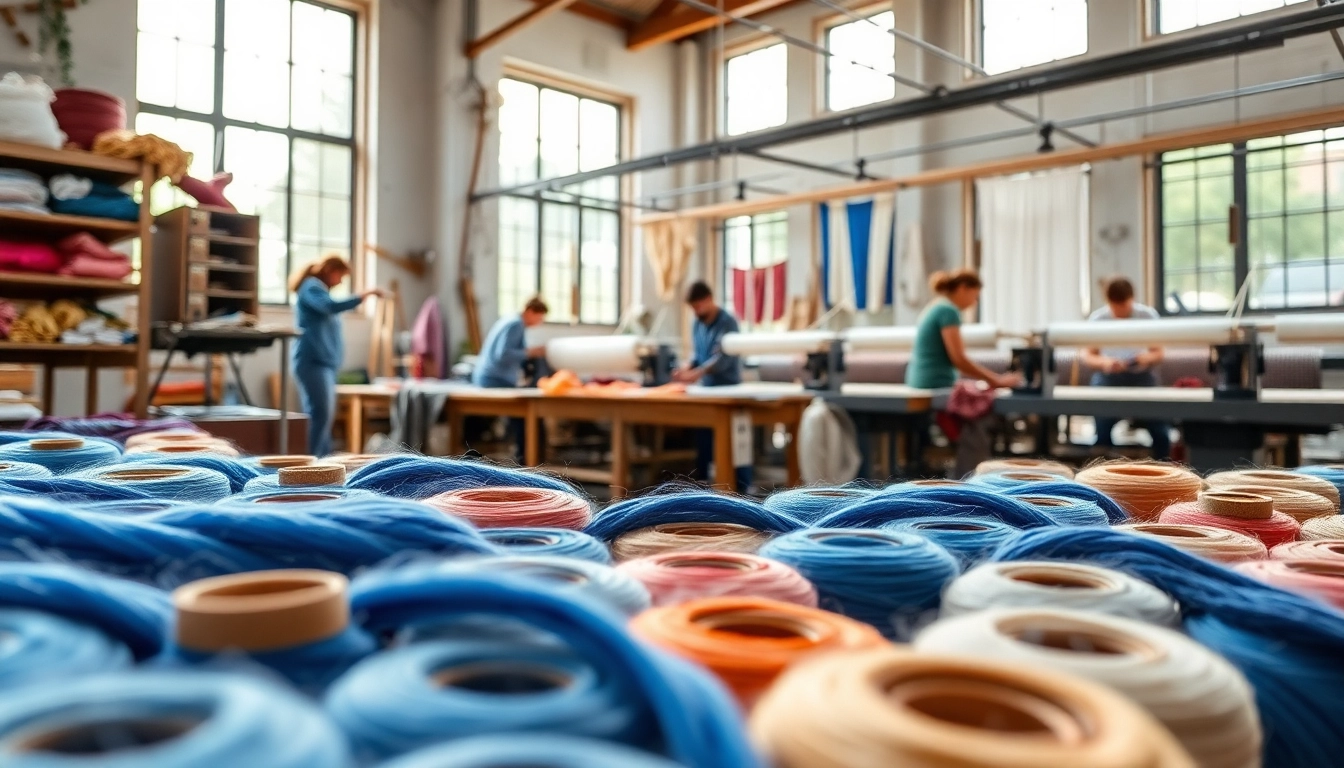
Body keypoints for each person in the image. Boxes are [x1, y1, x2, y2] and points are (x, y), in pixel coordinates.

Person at [906, 269, 1022, 477]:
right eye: (975, 296)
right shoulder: (948, 311)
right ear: (963, 288)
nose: (974, 302)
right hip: (935, 384)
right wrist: (997, 380)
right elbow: (958, 359)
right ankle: (969, 480)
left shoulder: (936, 306)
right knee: (978, 418)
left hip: (922, 380)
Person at [290, 255, 383, 457]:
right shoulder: (311, 287)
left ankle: (321, 461)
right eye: (340, 276)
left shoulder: (318, 290)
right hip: (312, 362)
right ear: (331, 270)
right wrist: (363, 295)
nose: (341, 281)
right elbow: (331, 306)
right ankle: (315, 463)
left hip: (322, 364)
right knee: (320, 414)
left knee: (323, 415)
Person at [1081, 276, 1171, 460]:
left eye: (1124, 305)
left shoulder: (1148, 316)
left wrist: (1145, 358)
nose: (1120, 310)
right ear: (1108, 302)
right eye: (1116, 306)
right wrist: (1105, 363)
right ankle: (1102, 466)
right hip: (1109, 379)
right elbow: (1088, 356)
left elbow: (1159, 352)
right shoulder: (1098, 319)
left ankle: (1165, 466)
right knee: (1102, 430)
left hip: (1142, 378)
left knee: (1161, 432)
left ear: (1132, 298)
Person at [673, 280, 750, 492]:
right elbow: (698, 355)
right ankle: (703, 484)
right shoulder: (697, 323)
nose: (695, 311)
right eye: (692, 308)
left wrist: (695, 374)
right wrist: (685, 368)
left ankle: (743, 487)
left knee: (735, 440)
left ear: (709, 300)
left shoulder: (728, 323)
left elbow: (722, 359)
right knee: (703, 438)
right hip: (706, 390)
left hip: (729, 389)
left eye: (698, 306)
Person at [470, 297, 549, 459]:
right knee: (524, 416)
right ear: (530, 312)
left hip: (489, 377)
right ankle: (527, 460)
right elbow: (503, 355)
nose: (539, 322)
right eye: (539, 318)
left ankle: (525, 457)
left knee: (522, 416)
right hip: (493, 379)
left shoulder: (510, 321)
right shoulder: (515, 325)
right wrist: (532, 352)